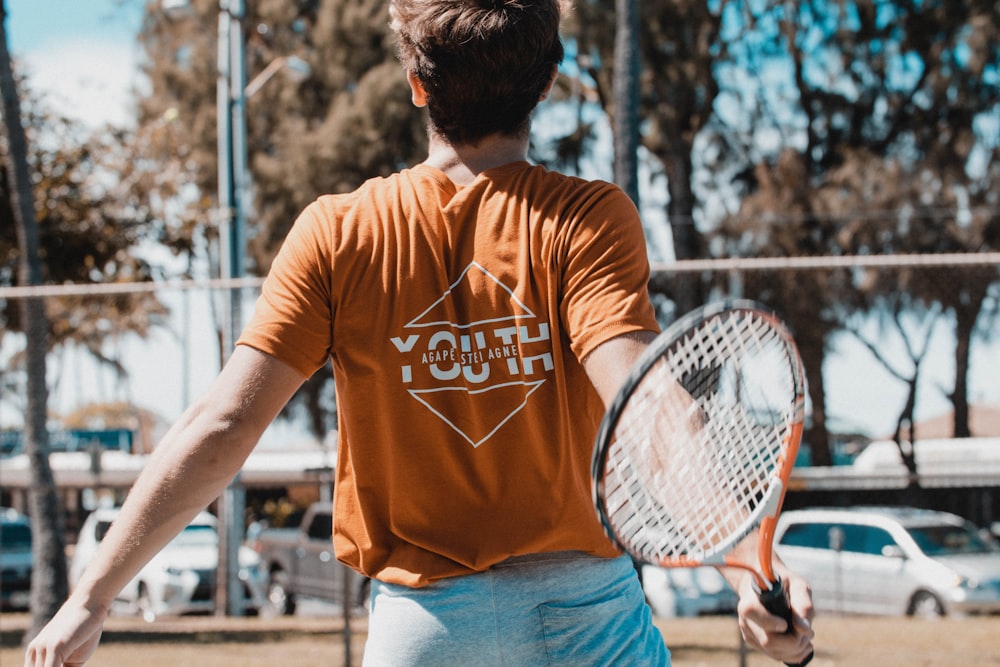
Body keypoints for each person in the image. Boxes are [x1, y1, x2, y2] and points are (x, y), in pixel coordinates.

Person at [25, 0, 814, 664]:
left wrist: (90, 597)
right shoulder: (587, 218)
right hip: (588, 618)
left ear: (415, 84)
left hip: (423, 630)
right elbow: (650, 408)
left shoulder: (336, 232)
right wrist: (751, 564)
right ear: (546, 81)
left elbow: (224, 423)